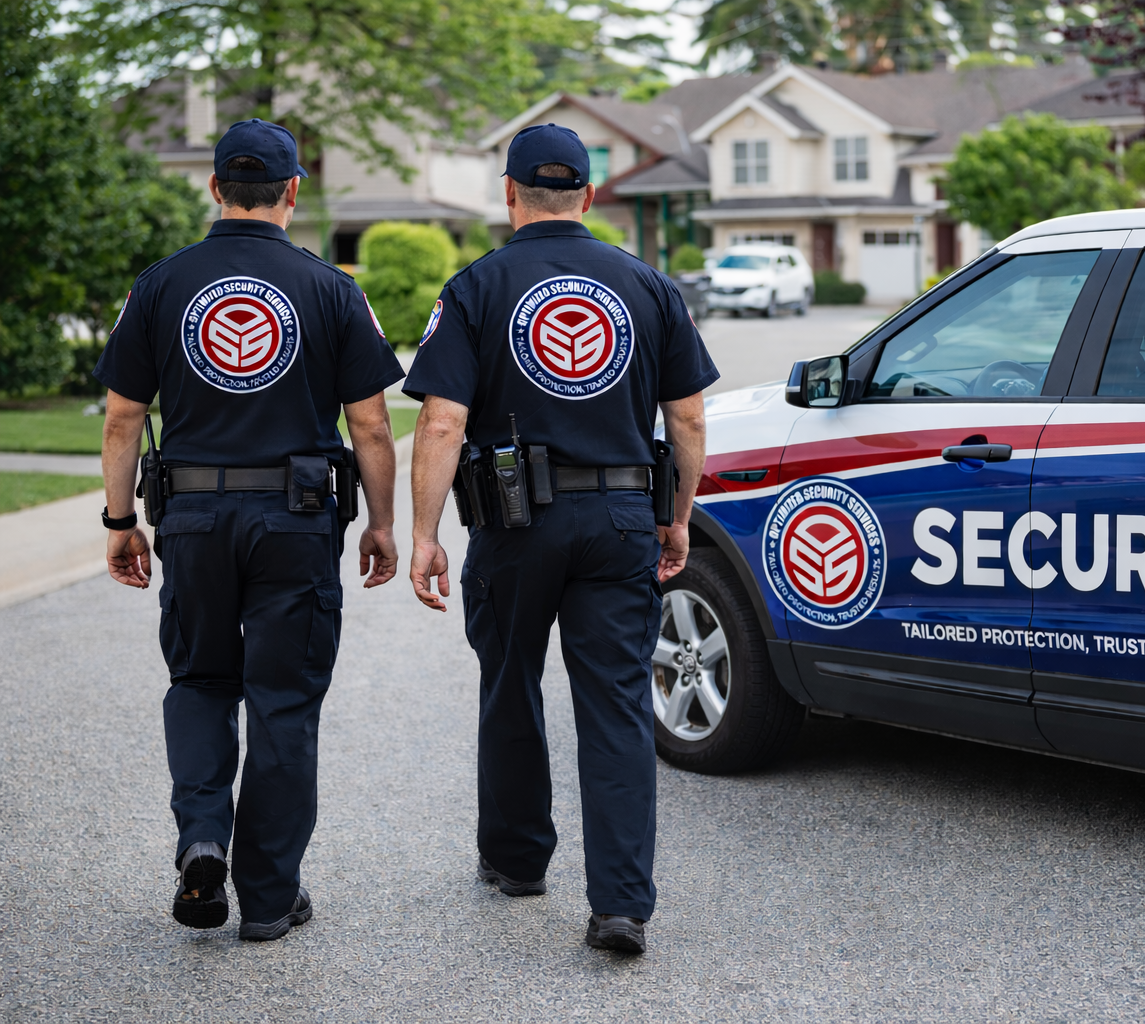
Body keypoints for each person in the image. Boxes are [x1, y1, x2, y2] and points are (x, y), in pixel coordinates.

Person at [404, 123, 715, 955]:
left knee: (509, 683)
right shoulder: (647, 285)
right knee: (615, 704)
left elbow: (440, 420)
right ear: (589, 192)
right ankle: (620, 906)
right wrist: (678, 515)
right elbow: (686, 415)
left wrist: (424, 533)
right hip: (619, 519)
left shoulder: (476, 286)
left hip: (514, 525)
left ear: (509, 193)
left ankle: (518, 861)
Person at [95, 119, 405, 941]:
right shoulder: (333, 289)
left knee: (199, 682)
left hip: (191, 518)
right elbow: (371, 427)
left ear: (214, 189)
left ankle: (203, 837)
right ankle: (268, 902)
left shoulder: (160, 285)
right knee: (283, 704)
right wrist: (382, 523)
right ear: (294, 191)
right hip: (296, 523)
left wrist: (120, 519)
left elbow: (123, 416)